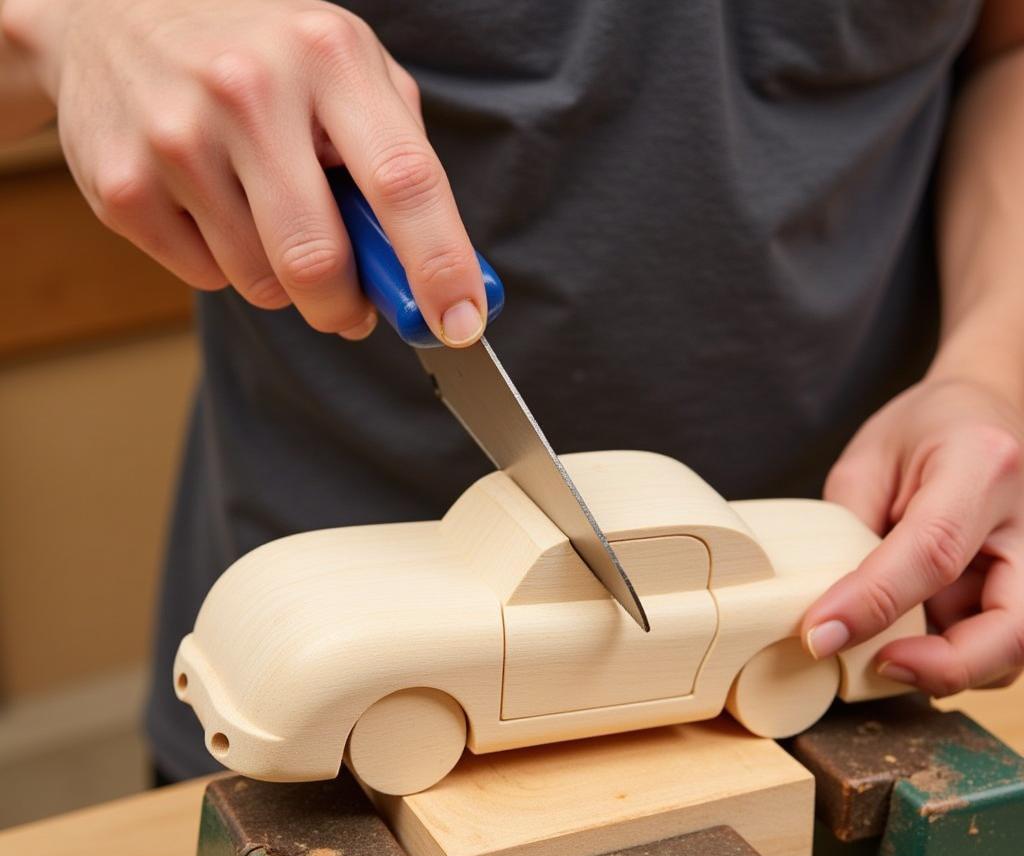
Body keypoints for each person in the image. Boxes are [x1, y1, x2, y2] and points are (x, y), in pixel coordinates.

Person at [2, 0, 1023, 782]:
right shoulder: (350, 657)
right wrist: (76, 23)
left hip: (860, 584)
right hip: (299, 582)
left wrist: (992, 364)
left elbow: (1004, 44)